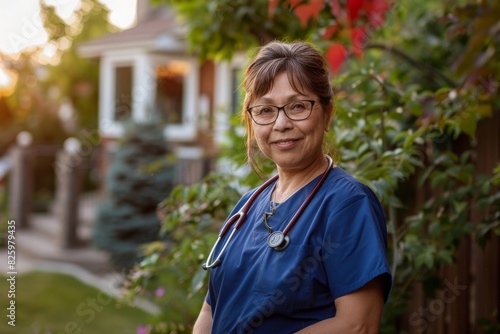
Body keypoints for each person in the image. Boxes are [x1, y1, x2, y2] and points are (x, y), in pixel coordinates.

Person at [193, 41, 392, 334]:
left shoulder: (347, 204)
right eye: (265, 110)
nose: (281, 123)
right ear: (251, 121)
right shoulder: (247, 206)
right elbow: (212, 307)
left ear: (327, 113)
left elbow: (357, 325)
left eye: (298, 106)